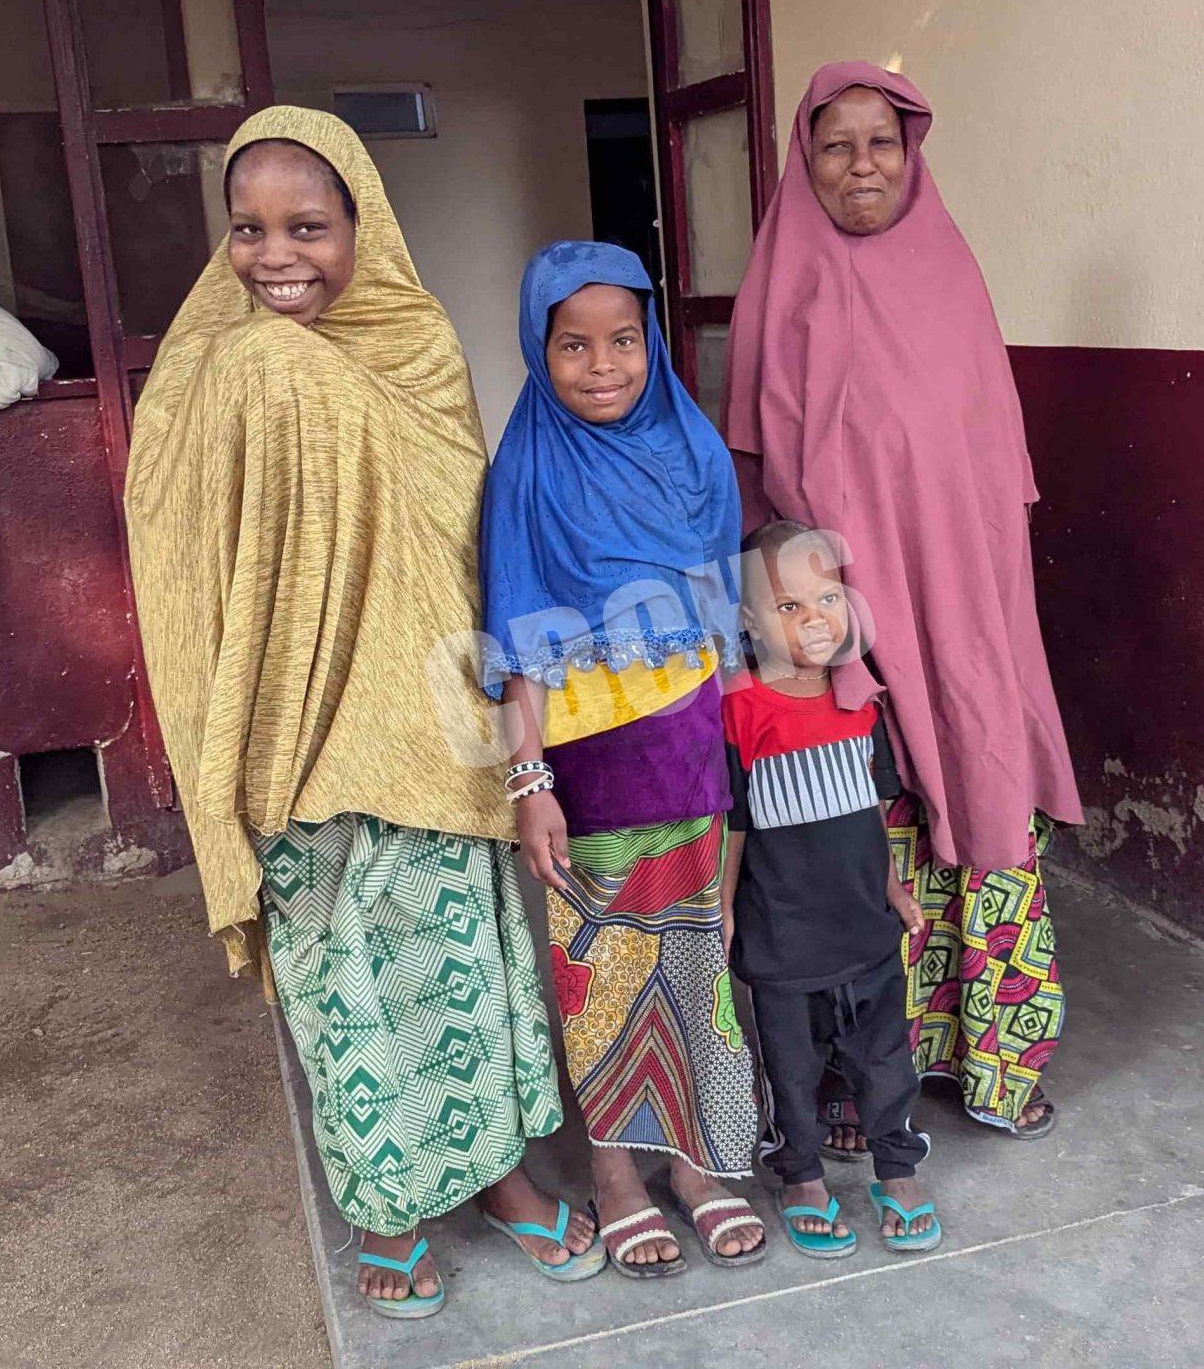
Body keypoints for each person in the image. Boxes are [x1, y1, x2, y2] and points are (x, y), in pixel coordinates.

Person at [124, 108, 601, 1320]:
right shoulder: (218, 359)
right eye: (248, 230)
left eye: (309, 226)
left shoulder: (419, 340)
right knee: (350, 981)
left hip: (422, 707)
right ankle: (384, 1204)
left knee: (462, 962)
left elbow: (458, 521)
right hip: (293, 726)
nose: (278, 256)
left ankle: (495, 1179)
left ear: (363, 226)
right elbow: (182, 545)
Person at [721, 62, 1087, 1145]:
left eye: (880, 142)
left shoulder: (951, 274)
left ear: (911, 152)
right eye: (835, 146)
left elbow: (992, 463)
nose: (860, 165)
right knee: (846, 840)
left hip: (964, 611)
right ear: (806, 161)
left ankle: (993, 1061)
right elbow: (754, 468)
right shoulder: (780, 286)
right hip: (842, 626)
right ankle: (852, 1080)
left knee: (978, 789)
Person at [479, 241, 766, 1276]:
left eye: (622, 342)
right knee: (599, 973)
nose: (601, 365)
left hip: (685, 750)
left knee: (695, 958)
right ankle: (613, 1174)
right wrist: (529, 782)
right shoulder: (528, 464)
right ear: (537, 348)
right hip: (587, 768)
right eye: (571, 345)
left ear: (650, 342)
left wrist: (730, 756)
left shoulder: (689, 451)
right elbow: (515, 633)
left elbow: (721, 623)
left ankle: (693, 1164)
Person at [723, 519, 941, 1256]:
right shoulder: (742, 708)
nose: (814, 617)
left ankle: (897, 1167)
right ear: (751, 621)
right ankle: (802, 1176)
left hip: (864, 927)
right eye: (788, 606)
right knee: (793, 1065)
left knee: (886, 1057)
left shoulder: (859, 700)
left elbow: (876, 812)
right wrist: (721, 911)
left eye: (827, 597)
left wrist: (894, 888)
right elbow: (736, 825)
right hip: (783, 935)